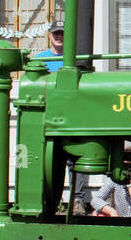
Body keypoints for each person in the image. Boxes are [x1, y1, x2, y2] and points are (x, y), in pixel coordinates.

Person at [34, 23, 90, 217]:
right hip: (50, 117)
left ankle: (77, 200)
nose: (59, 37)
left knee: (76, 160)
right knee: (52, 161)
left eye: (62, 34)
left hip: (73, 117)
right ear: (50, 36)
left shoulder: (75, 60)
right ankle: (51, 202)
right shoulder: (40, 60)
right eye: (56, 34)